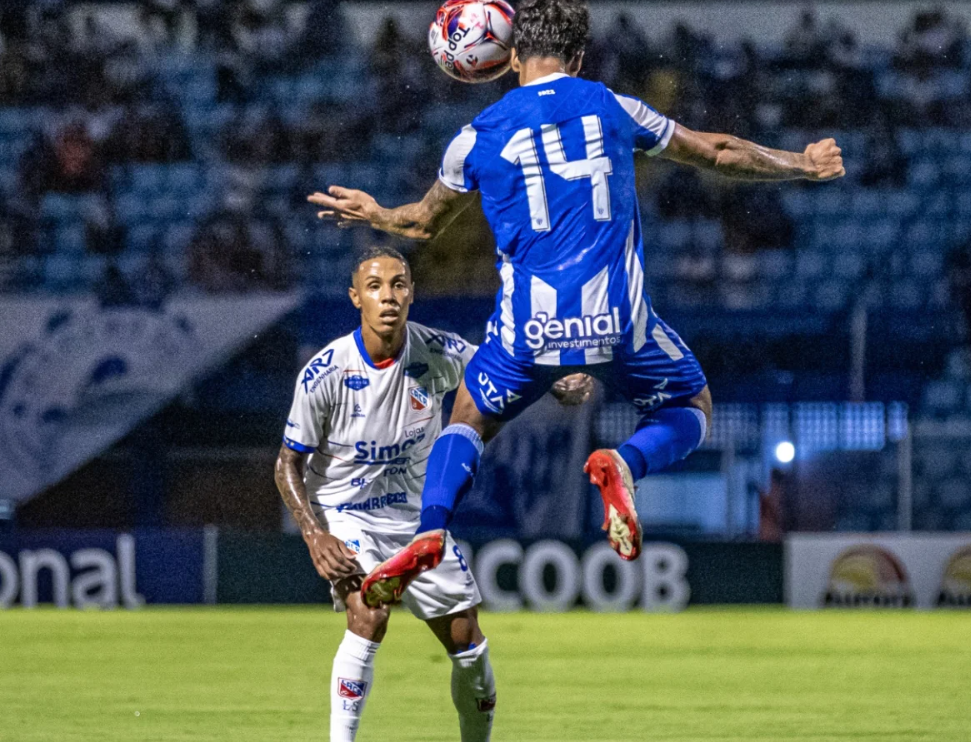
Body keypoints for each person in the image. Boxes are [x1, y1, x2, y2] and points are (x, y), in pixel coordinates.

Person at [308, 0, 844, 606]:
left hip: (526, 333)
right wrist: (801, 163)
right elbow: (718, 152)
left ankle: (432, 527)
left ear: (511, 57)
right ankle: (624, 462)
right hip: (616, 322)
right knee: (692, 404)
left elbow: (424, 223)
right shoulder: (612, 106)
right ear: (580, 56)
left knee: (466, 421)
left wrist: (378, 212)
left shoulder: (475, 137)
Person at [273, 247, 590, 742]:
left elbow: (501, 373)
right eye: (375, 286)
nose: (388, 296)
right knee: (368, 613)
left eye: (399, 285)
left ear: (412, 293)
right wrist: (313, 531)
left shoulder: (437, 351)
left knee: (469, 645)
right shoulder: (324, 372)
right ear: (356, 298)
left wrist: (556, 382)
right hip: (345, 515)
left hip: (416, 522)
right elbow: (286, 463)